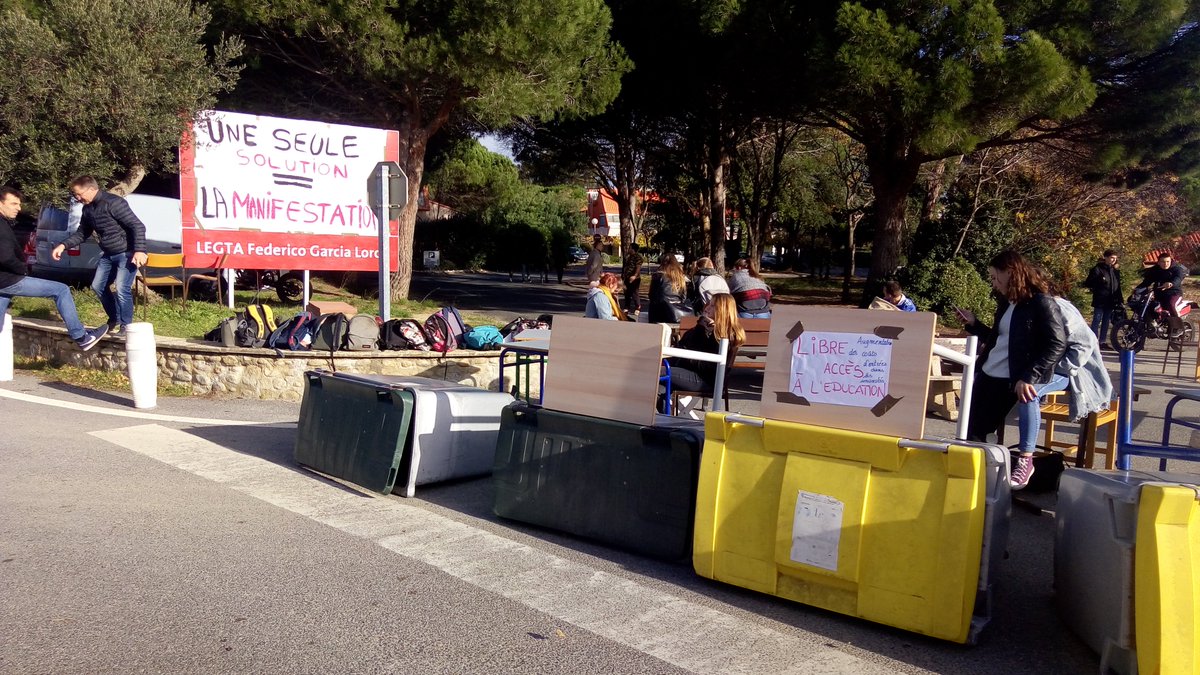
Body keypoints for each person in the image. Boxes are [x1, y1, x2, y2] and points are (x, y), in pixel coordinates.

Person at [956, 250, 1068, 490]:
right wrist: (973, 324)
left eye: (996, 278)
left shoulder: (1041, 302)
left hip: (1013, 377)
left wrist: (1029, 375)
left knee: (982, 429)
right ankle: (977, 482)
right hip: (988, 372)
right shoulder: (1007, 303)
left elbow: (1057, 343)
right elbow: (999, 340)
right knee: (970, 428)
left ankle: (1004, 474)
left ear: (1011, 273)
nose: (994, 284)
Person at [0, 186, 106, 351]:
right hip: (9, 279)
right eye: (13, 204)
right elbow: (5, 257)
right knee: (61, 290)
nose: (19, 208)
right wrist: (24, 269)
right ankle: (81, 336)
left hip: (3, 282)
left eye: (19, 204)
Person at [53, 177, 147, 336]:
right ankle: (114, 319)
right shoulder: (88, 209)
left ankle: (126, 326)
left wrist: (139, 250)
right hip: (108, 253)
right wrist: (63, 245)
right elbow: (82, 233)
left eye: (79, 194)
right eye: (75, 195)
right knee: (98, 286)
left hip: (127, 252)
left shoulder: (114, 203)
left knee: (122, 288)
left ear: (91, 189)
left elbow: (137, 225)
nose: (77, 198)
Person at [665, 292, 745, 402]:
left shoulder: (727, 334)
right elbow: (683, 345)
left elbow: (710, 366)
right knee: (656, 388)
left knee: (660, 372)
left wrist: (687, 358)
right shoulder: (703, 328)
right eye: (708, 304)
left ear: (722, 310)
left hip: (705, 380)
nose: (707, 308)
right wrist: (700, 327)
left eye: (712, 306)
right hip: (688, 371)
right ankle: (661, 417)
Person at [1135, 252, 1187, 339]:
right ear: (1158, 262)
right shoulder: (1156, 270)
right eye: (1163, 262)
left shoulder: (1177, 269)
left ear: (1171, 261)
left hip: (1174, 294)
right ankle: (1153, 327)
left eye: (1167, 261)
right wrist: (1138, 289)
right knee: (1150, 306)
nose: (1165, 264)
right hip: (1159, 295)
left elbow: (1178, 278)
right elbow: (1147, 281)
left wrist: (1171, 283)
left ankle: (1178, 328)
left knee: (1171, 304)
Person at [1083, 249, 1122, 349]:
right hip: (1100, 299)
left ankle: (1102, 342)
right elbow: (1088, 283)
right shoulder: (1097, 269)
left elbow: (1117, 286)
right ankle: (1093, 341)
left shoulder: (1115, 271)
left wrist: (1119, 299)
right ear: (1105, 257)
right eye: (1111, 258)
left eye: (1115, 258)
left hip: (1111, 300)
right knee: (1097, 320)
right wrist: (1099, 281)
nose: (1113, 260)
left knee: (1106, 321)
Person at [647, 254, 693, 324]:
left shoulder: (658, 276)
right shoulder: (680, 277)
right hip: (676, 311)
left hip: (659, 312)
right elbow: (683, 296)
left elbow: (652, 295)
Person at [622, 243, 644, 316]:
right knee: (627, 293)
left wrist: (634, 275)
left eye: (630, 248)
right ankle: (626, 307)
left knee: (634, 293)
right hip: (627, 277)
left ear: (633, 249)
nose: (628, 249)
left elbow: (638, 267)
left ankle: (637, 307)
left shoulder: (638, 257)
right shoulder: (629, 256)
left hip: (635, 278)